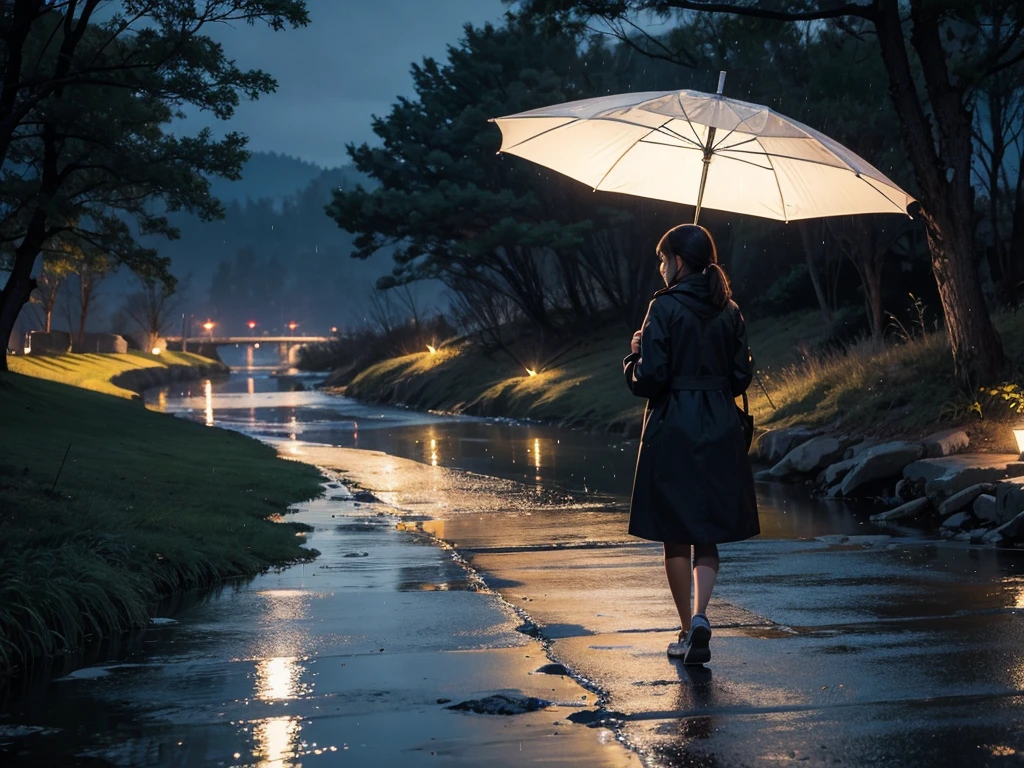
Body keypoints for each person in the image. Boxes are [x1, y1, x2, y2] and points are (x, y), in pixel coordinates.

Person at [623, 223, 759, 665]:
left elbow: (652, 378)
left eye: (664, 260)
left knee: (676, 536)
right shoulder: (730, 309)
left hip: (675, 427)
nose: (661, 269)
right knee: (709, 531)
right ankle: (701, 615)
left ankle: (686, 629)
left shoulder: (662, 308)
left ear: (679, 261)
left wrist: (634, 357)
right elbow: (741, 376)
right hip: (720, 424)